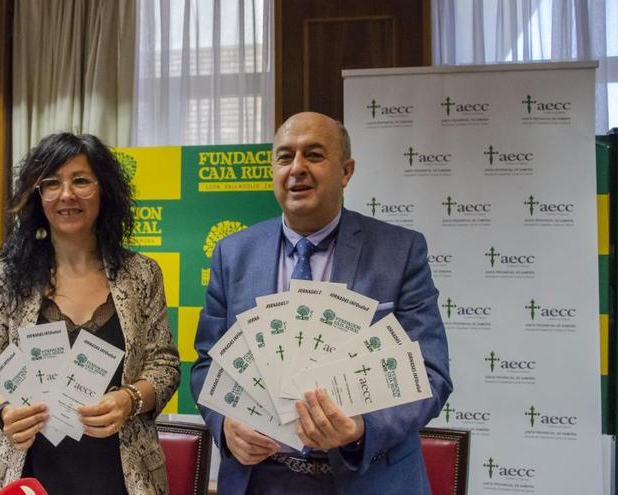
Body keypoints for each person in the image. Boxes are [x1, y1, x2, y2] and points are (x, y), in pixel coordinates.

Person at [190, 112, 452, 494]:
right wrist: (226, 426)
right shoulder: (233, 254)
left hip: (367, 479)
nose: (297, 169)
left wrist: (363, 426)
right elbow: (207, 365)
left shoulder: (400, 251)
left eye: (313, 155)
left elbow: (431, 374)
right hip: (261, 480)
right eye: (285, 157)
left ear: (346, 172)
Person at [0, 133, 180, 495]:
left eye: (80, 180)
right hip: (30, 473)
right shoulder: (5, 276)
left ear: (104, 190)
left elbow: (165, 365)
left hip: (122, 475)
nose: (66, 195)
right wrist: (3, 411)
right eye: (51, 183)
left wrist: (129, 400)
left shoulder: (141, 273)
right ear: (38, 196)